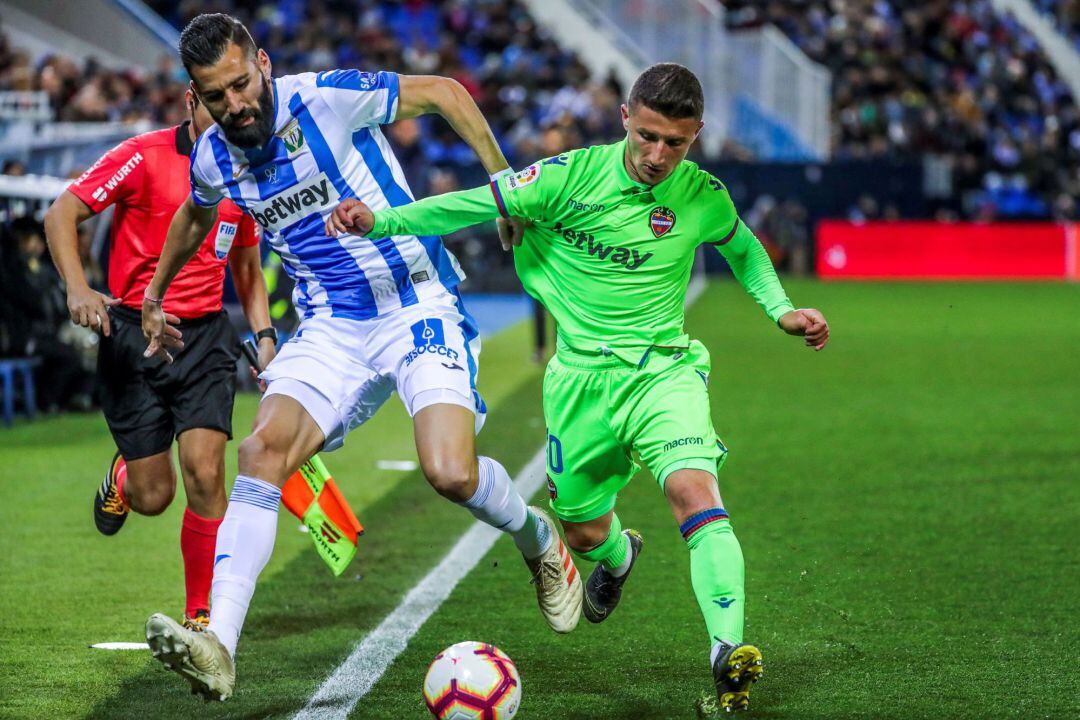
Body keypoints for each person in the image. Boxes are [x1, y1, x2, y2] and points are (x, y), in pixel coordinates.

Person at [328, 63, 830, 714]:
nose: (658, 156)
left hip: (663, 372)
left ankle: (726, 652)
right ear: (625, 117)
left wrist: (781, 309)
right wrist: (381, 222)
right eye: (647, 136)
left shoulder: (704, 195)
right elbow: (472, 203)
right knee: (584, 532)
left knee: (694, 491)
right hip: (580, 383)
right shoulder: (566, 179)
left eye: (675, 143)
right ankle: (620, 556)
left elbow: (744, 249)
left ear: (697, 135)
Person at [139, 14, 579, 702]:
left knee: (450, 472)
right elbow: (196, 214)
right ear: (195, 94)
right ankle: (218, 645)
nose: (235, 105)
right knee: (260, 452)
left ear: (263, 62)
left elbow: (447, 93)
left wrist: (508, 189)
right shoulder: (213, 155)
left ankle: (538, 540)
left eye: (241, 84)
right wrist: (155, 292)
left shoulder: (326, 97)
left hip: (415, 303)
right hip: (331, 325)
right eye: (216, 96)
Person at [43, 89, 274, 631]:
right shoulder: (142, 156)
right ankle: (125, 476)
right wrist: (77, 287)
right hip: (132, 336)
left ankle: (201, 617)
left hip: (205, 339)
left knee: (206, 472)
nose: (227, 113)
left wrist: (264, 335)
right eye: (213, 101)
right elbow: (61, 213)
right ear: (191, 100)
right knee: (154, 497)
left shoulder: (246, 169)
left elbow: (246, 265)